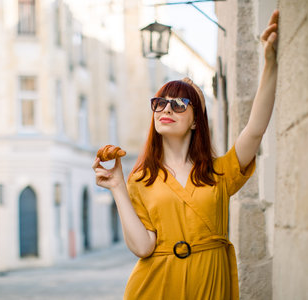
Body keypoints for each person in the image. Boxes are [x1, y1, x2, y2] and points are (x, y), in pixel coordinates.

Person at [92, 9, 279, 300]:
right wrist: (117, 185)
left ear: (195, 120)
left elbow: (255, 130)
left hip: (210, 281)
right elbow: (143, 248)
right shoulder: (141, 178)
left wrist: (270, 64)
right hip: (156, 287)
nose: (166, 109)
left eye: (179, 104)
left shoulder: (218, 172)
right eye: (160, 103)